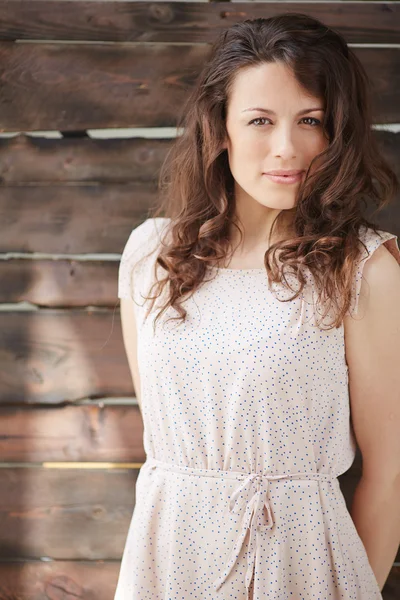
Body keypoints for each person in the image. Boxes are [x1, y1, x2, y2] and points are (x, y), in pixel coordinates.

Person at [115, 13, 400, 600]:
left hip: (300, 568)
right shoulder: (152, 254)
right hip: (169, 561)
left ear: (337, 131)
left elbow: (391, 475)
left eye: (310, 121)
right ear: (219, 130)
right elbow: (166, 441)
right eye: (260, 121)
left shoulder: (361, 269)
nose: (286, 148)